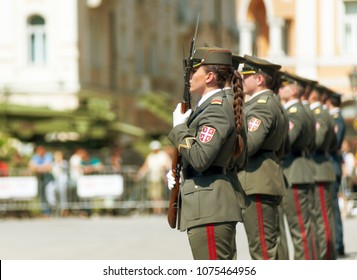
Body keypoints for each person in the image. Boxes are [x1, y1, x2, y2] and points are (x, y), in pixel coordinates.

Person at [167, 46, 244, 260]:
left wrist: (179, 128)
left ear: (209, 77)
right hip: (207, 204)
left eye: (194, 72)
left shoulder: (216, 109)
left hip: (209, 207)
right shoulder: (209, 108)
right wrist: (179, 171)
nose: (189, 77)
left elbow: (201, 158)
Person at [237, 55, 289, 260]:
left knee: (262, 249)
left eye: (246, 76)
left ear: (259, 80)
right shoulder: (274, 103)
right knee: (268, 244)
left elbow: (249, 144)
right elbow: (283, 148)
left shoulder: (261, 105)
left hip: (257, 180)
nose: (242, 79)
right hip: (266, 176)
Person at [277, 72, 316, 259]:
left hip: (294, 171)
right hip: (299, 169)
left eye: (284, 86)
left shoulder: (295, 112)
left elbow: (287, 140)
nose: (280, 89)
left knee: (299, 229)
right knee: (302, 227)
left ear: (293, 91)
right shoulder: (302, 110)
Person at [308, 83, 337, 259]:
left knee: (323, 219)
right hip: (316, 169)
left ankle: (326, 258)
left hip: (320, 168)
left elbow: (318, 141)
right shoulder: (317, 113)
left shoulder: (320, 114)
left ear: (313, 95)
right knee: (319, 217)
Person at [325, 90, 347, 257]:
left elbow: (335, 142)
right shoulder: (334, 117)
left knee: (333, 208)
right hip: (332, 165)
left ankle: (338, 244)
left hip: (332, 166)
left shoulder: (336, 118)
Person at [137, 140, 171, 214]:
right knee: (153, 196)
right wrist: (139, 175)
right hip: (152, 179)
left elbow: (167, 165)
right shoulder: (150, 156)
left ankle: (160, 211)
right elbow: (145, 167)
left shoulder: (163, 155)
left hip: (160, 178)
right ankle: (156, 211)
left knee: (159, 196)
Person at [28, 145, 54, 216]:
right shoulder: (35, 157)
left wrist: (37, 168)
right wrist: (42, 168)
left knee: (50, 194)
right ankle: (45, 211)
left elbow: (49, 167)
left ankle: (53, 210)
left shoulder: (49, 156)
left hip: (48, 179)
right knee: (42, 195)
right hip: (40, 179)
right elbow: (31, 167)